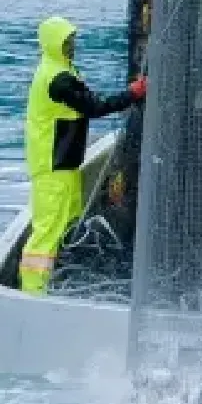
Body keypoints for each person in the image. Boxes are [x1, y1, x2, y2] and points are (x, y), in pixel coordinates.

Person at [20, 15, 147, 296]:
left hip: (64, 165)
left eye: (72, 40)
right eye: (67, 41)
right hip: (52, 166)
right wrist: (132, 94)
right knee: (49, 230)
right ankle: (32, 291)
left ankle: (56, 282)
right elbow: (94, 106)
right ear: (54, 44)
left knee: (68, 223)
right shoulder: (58, 79)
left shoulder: (61, 70)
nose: (72, 46)